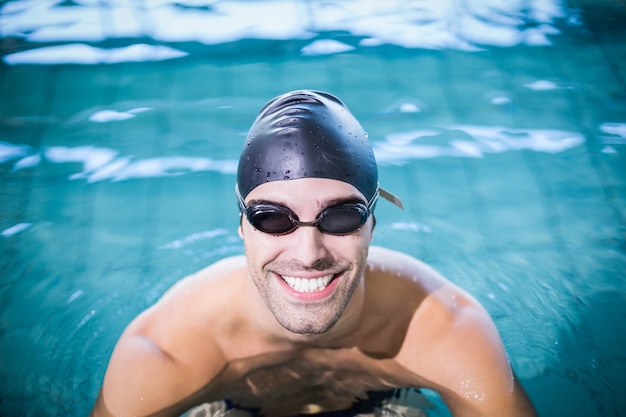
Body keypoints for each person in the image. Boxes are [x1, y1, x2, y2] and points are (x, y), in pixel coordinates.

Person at [90, 90, 537, 417]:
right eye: (273, 218)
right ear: (243, 225)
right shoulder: (165, 352)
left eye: (341, 217)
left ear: (372, 225)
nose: (308, 253)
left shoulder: (444, 329)